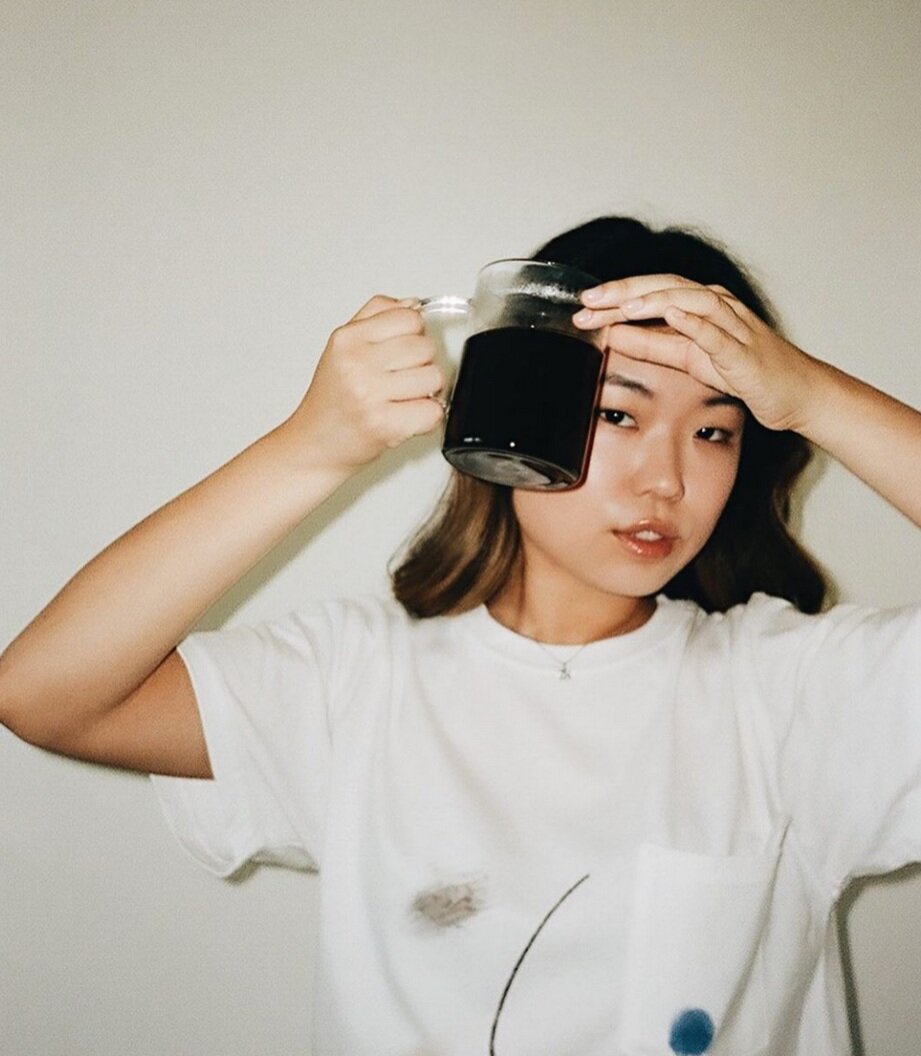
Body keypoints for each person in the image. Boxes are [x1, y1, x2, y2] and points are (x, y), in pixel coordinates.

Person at [1, 215, 919, 1056]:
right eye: (618, 413)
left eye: (715, 432)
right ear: (518, 402)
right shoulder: (357, 679)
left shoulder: (797, 692)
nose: (666, 481)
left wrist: (815, 398)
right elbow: (44, 695)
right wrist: (311, 446)